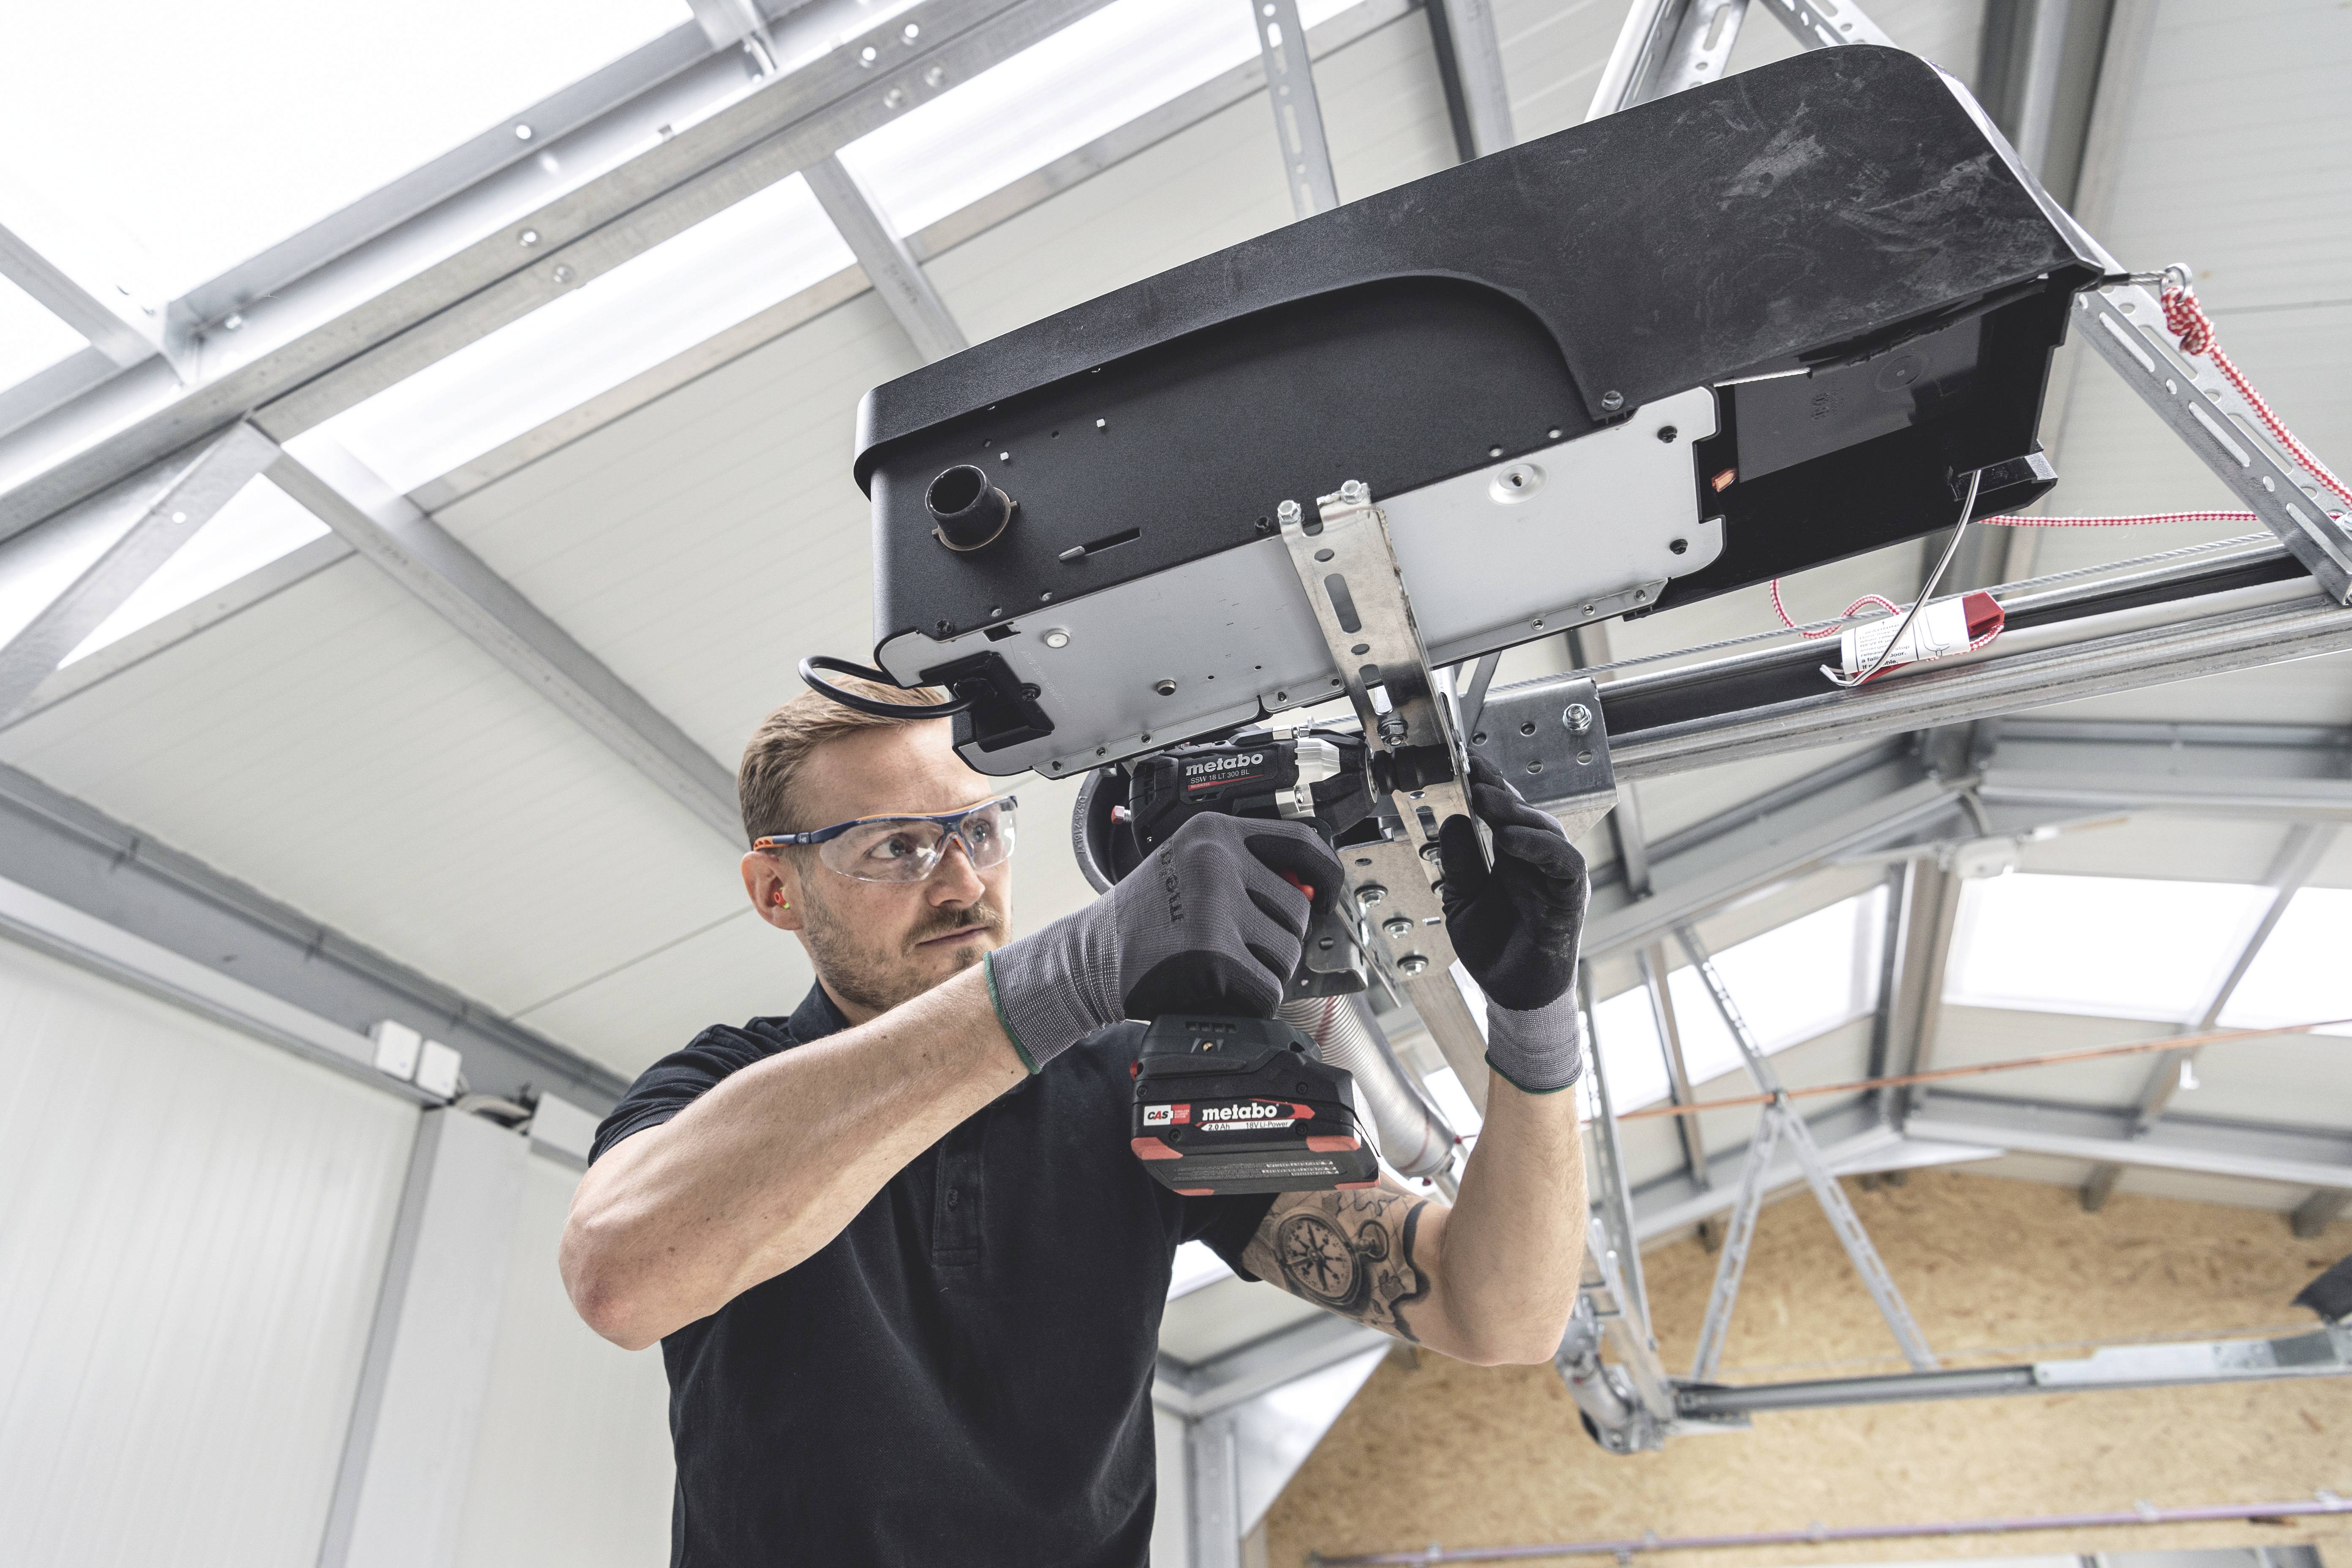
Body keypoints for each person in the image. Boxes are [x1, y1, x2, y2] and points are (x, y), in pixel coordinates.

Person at [560, 677, 1592, 1566]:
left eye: (978, 830)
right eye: (897, 847)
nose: (962, 882)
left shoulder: (1140, 1085)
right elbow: (619, 1276)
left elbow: (1493, 1310)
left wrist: (1535, 1020)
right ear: (777, 888)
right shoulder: (723, 1089)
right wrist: (1070, 975)